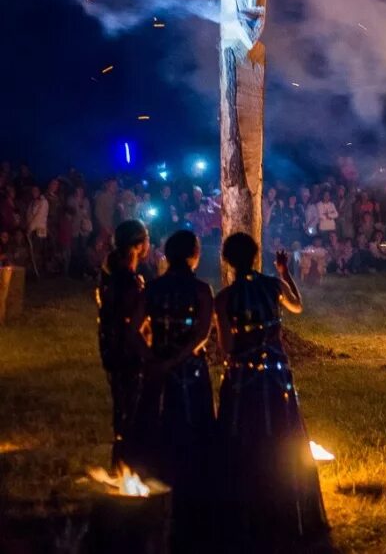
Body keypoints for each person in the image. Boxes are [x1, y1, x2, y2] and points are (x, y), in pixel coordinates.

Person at [214, 234, 328, 550]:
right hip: (277, 375)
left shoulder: (224, 298)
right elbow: (298, 306)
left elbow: (227, 347)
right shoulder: (272, 286)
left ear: (227, 261)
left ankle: (247, 495)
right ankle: (282, 489)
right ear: (255, 257)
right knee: (282, 430)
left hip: (243, 379)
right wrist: (284, 272)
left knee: (245, 432)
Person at [133, 231, 215, 549]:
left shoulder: (153, 288)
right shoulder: (200, 290)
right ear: (195, 254)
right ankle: (193, 485)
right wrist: (177, 360)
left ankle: (158, 473)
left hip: (160, 369)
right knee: (194, 426)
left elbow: (133, 329)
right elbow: (201, 336)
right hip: (191, 372)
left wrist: (154, 358)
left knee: (159, 420)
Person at [96, 220, 152, 469]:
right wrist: (151, 354)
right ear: (139, 246)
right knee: (132, 410)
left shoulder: (110, 275)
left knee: (123, 409)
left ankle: (121, 464)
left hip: (113, 350)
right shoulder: (127, 281)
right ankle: (127, 467)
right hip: (129, 354)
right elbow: (132, 326)